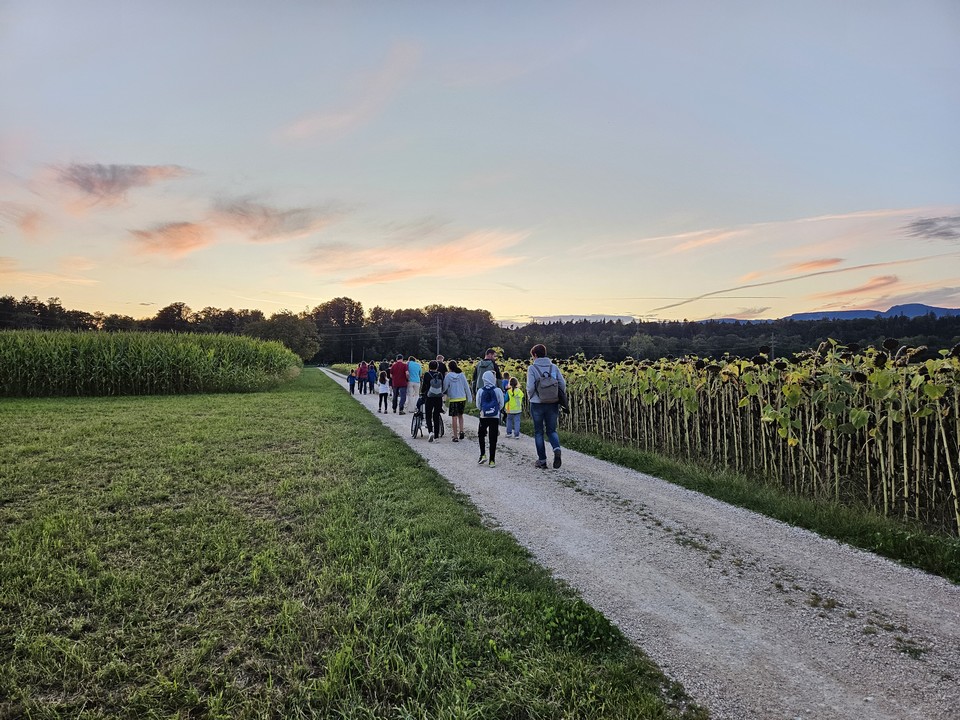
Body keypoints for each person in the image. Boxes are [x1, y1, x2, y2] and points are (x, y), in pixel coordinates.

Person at [526, 343, 566, 469]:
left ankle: (542, 460)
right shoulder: (553, 367)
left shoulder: (532, 368)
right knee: (551, 430)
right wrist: (557, 395)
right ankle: (556, 449)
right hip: (552, 403)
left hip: (537, 403)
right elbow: (562, 384)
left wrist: (531, 397)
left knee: (539, 432)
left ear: (535, 355)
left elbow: (530, 387)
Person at [476, 370, 504, 467]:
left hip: (483, 416)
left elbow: (478, 405)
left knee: (481, 435)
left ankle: (483, 454)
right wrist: (496, 410)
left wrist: (483, 410)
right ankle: (492, 460)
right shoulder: (498, 390)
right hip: (494, 417)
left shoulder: (480, 391)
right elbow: (501, 404)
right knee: (493, 438)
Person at [443, 360, 472, 442]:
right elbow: (466, 386)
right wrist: (469, 397)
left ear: (449, 368)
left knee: (454, 417)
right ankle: (461, 431)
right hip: (462, 398)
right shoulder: (461, 375)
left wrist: (442, 392)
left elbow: (445, 387)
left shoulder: (448, 376)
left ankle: (455, 436)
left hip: (453, 399)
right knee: (460, 415)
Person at [421, 360, 445, 442]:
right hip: (438, 397)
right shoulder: (440, 374)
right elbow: (442, 385)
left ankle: (430, 432)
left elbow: (424, 386)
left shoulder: (427, 374)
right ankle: (436, 435)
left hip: (429, 396)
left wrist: (422, 392)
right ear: (437, 367)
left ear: (429, 367)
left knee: (428, 415)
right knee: (436, 415)